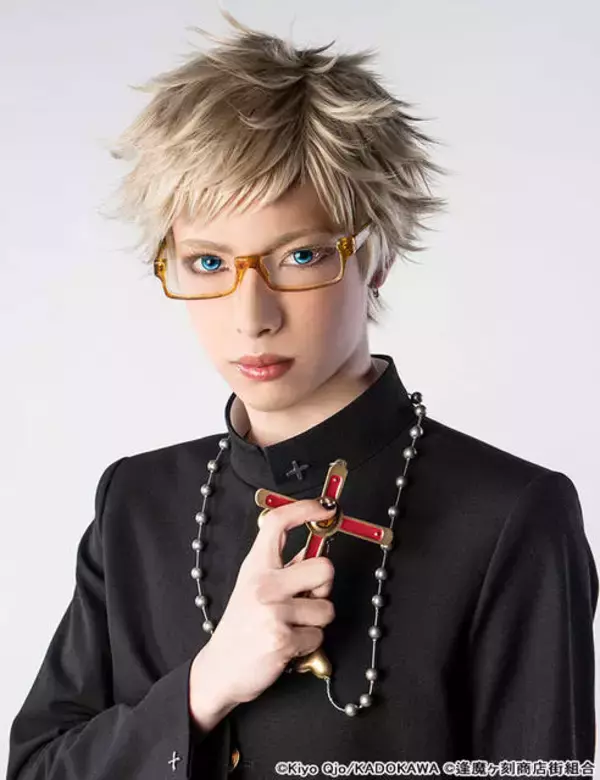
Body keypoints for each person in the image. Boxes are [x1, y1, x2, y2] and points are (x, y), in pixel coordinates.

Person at [7, 9, 597, 780]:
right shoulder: (135, 503)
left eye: (300, 256)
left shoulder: (512, 516)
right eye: (209, 263)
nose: (251, 316)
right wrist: (204, 687)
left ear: (376, 256)